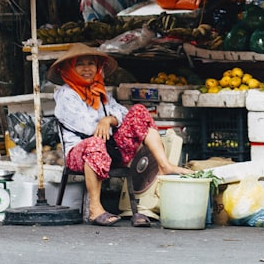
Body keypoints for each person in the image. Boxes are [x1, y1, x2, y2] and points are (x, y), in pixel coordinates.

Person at [49, 44, 192, 226]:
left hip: (111, 150)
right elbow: (88, 128)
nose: (87, 68)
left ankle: (164, 165)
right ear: (69, 69)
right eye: (80, 64)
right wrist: (105, 123)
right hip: (79, 154)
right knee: (95, 143)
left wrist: (109, 119)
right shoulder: (66, 96)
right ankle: (95, 208)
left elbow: (123, 115)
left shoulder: (101, 92)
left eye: (91, 63)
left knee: (139, 112)